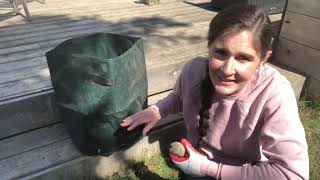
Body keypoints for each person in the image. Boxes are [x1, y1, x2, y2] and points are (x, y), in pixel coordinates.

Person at [120, 4, 309, 180]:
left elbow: (292, 174)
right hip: (194, 160)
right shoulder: (193, 70)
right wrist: (156, 110)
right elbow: (179, 97)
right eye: (220, 53)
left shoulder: (274, 93)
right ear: (209, 47)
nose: (227, 69)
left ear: (263, 59)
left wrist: (210, 169)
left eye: (243, 58)